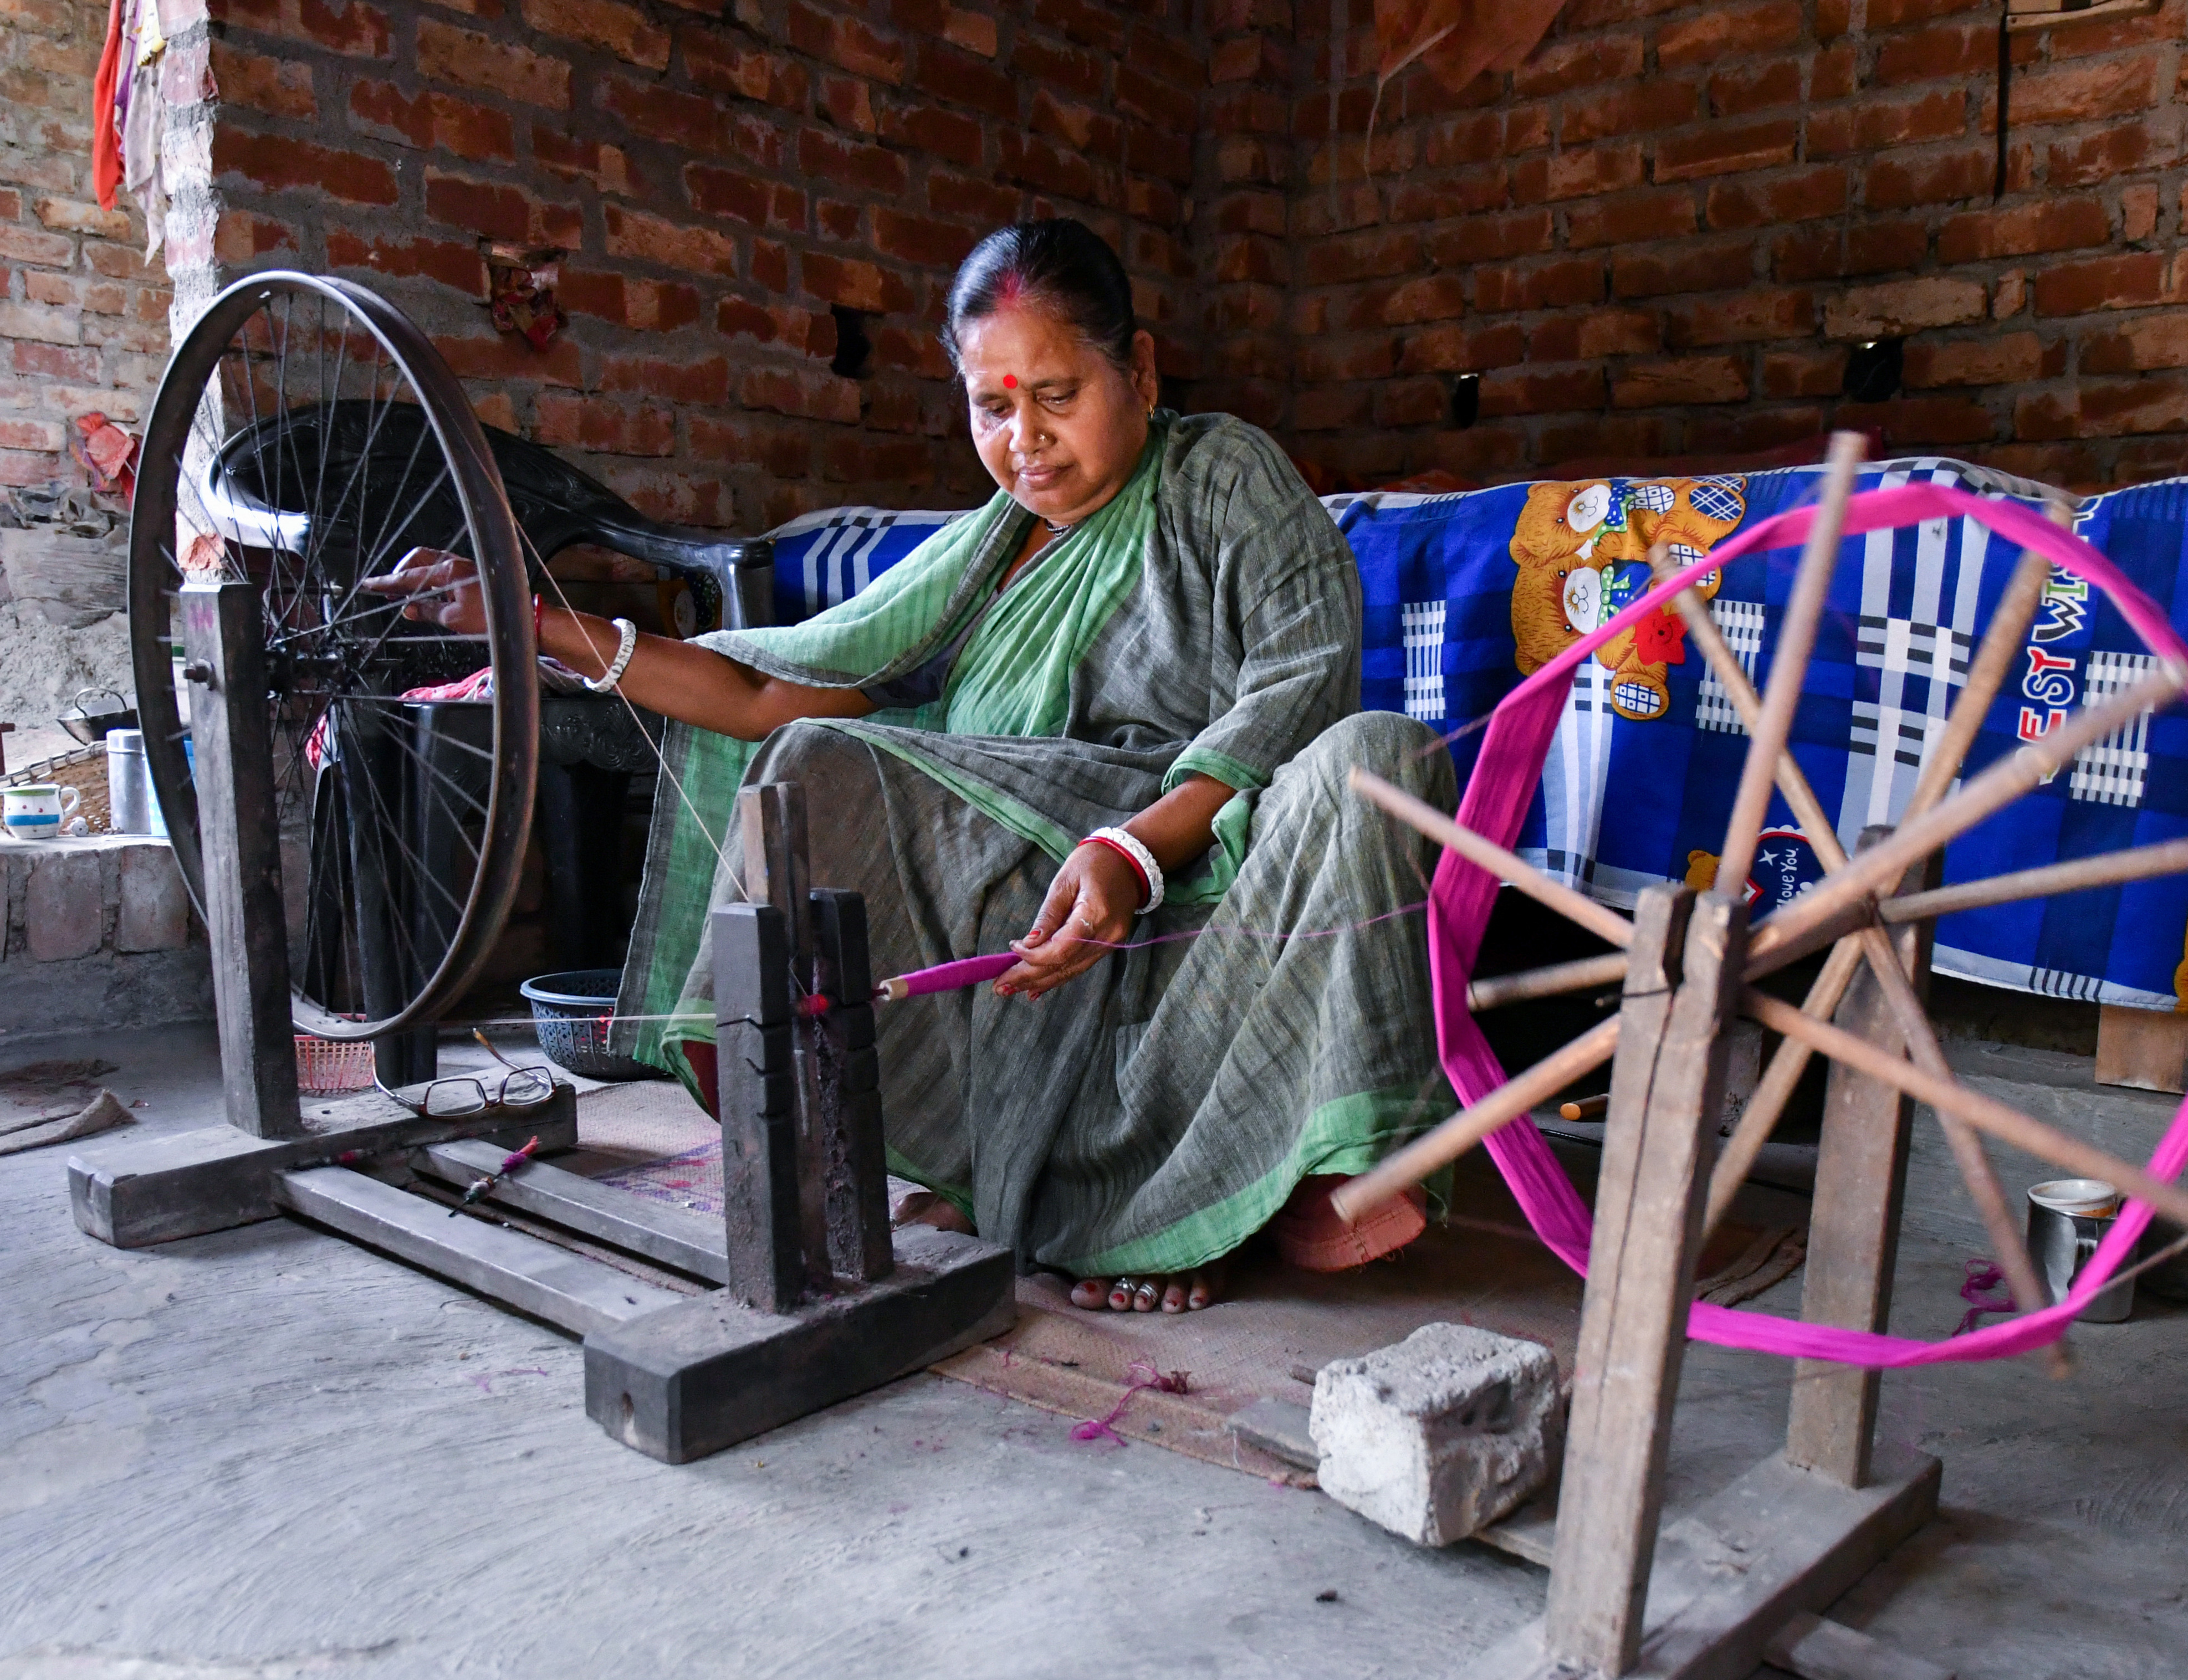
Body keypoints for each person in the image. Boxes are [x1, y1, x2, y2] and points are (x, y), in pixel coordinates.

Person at [370, 218, 1452, 1313]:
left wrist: (1132, 848)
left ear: (1141, 369)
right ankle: (981, 1173)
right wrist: (531, 618)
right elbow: (758, 690)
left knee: (1379, 755)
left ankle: (1209, 1199)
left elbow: (1301, 683)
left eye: (1059, 395)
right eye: (993, 406)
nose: (1024, 439)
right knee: (817, 759)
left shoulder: (1220, 473)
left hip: (1197, 883)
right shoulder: (988, 545)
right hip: (1020, 919)